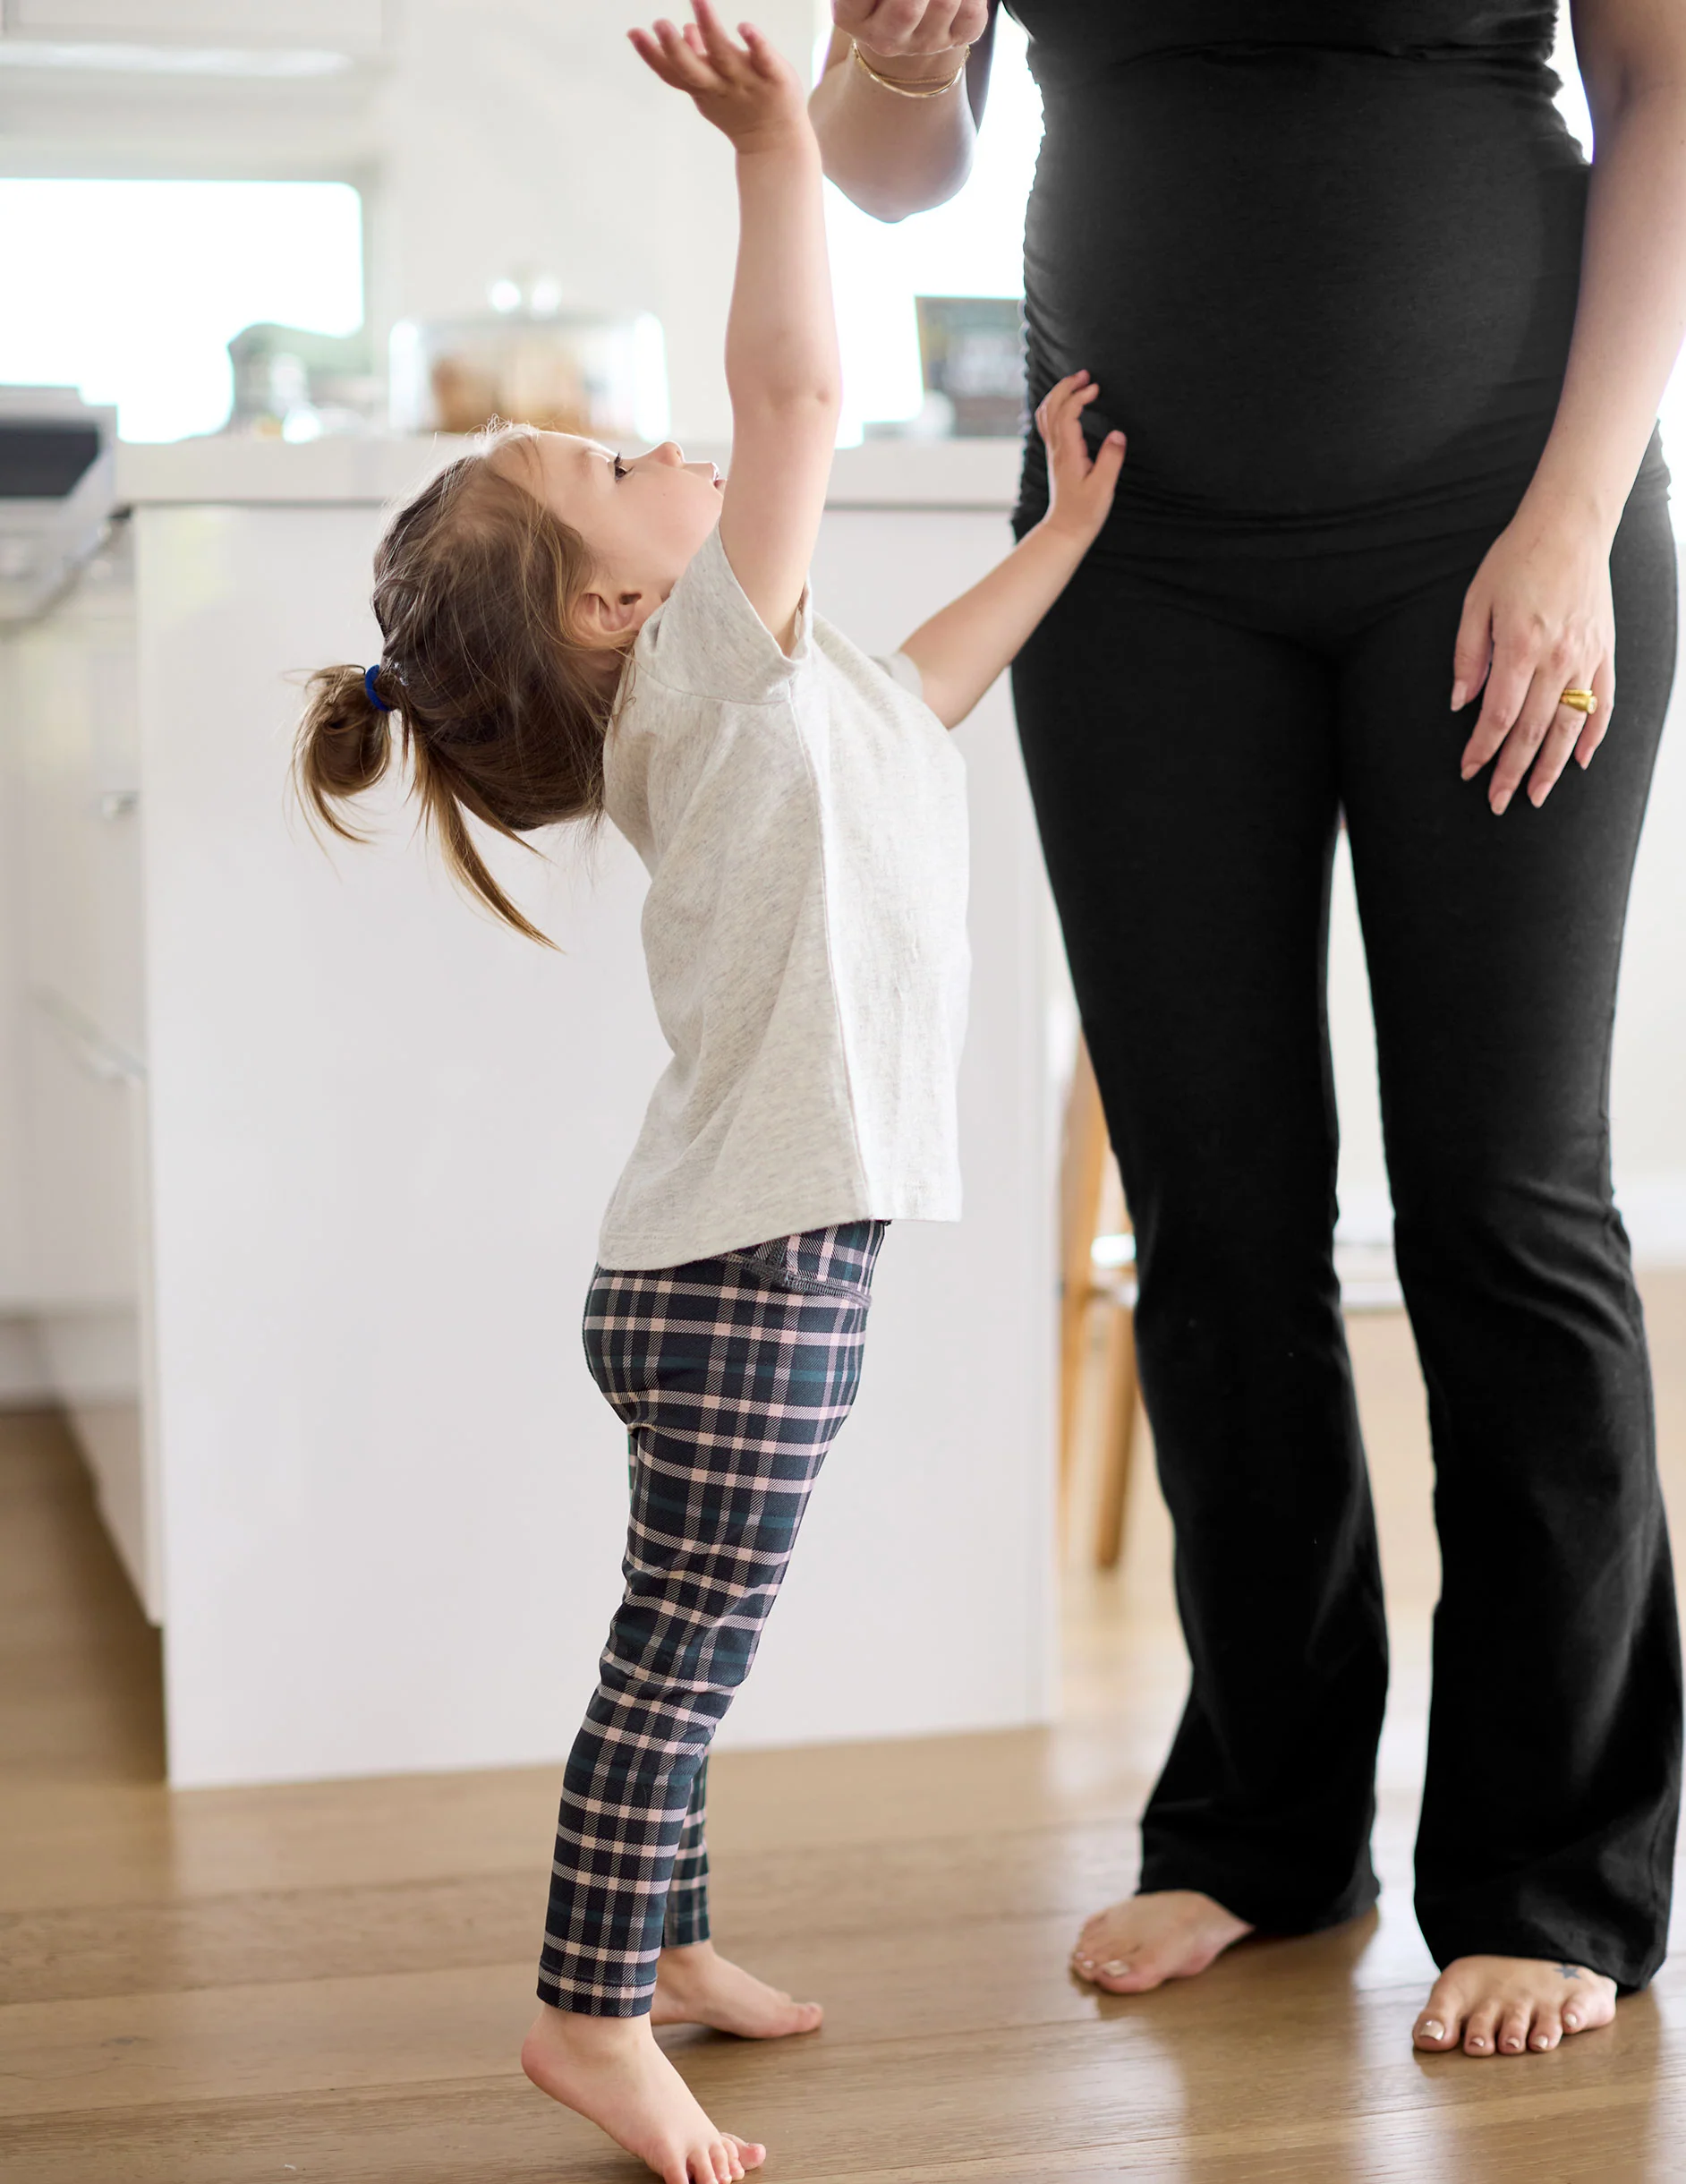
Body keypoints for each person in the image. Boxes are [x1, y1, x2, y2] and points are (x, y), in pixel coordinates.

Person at [813, 0, 1686, 2062]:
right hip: (1130, 562)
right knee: (1209, 1209)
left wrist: (1578, 515)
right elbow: (888, 167)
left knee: (1504, 1198)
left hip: (1501, 522)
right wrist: (901, 67)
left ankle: (1554, 1865)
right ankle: (1266, 1822)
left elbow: (1664, 90)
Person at [294, 9, 1124, 2176]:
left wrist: (1062, 535)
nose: (664, 442)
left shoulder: (765, 694)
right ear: (617, 604)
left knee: (684, 1634)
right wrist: (777, 150)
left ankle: (660, 1950)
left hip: (732, 1258)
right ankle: (587, 2013)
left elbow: (923, 691)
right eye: (611, 460)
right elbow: (795, 394)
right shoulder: (703, 669)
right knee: (674, 1661)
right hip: (749, 1272)